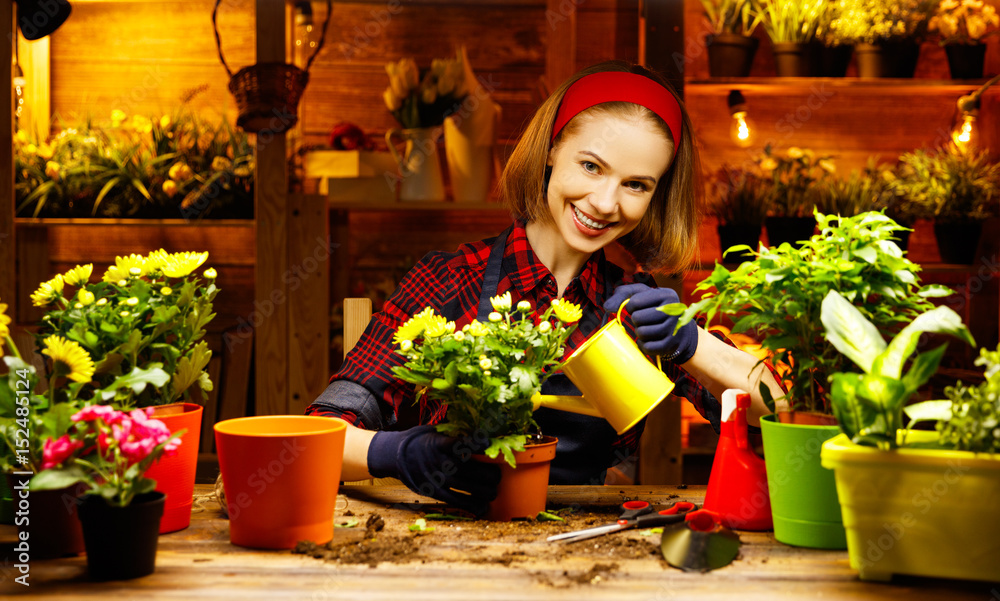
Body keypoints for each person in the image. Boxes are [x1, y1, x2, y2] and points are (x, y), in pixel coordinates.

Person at [307, 60, 783, 515]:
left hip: (591, 543)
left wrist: (690, 343)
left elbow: (781, 414)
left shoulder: (637, 309)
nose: (604, 202)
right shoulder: (450, 280)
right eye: (592, 166)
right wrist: (396, 452)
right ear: (552, 150)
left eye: (636, 184)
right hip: (450, 543)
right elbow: (314, 437)